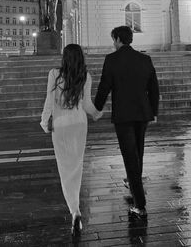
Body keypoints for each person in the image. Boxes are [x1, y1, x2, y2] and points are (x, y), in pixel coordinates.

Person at [94, 26, 159, 219]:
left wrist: (96, 108)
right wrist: (153, 112)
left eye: (113, 39)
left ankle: (140, 205)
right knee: (138, 151)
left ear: (117, 39)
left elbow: (104, 86)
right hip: (143, 113)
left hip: (124, 116)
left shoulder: (112, 60)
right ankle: (134, 182)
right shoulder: (145, 59)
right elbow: (154, 88)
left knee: (130, 156)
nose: (112, 43)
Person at [40, 44, 102, 236]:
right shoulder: (86, 76)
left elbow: (49, 102)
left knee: (64, 169)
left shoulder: (54, 74)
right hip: (79, 125)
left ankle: (75, 211)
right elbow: (87, 104)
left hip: (61, 126)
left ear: (64, 57)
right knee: (77, 165)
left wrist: (44, 122)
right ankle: (75, 210)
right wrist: (97, 114)